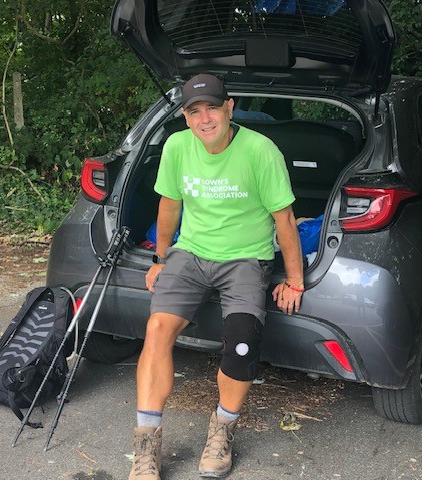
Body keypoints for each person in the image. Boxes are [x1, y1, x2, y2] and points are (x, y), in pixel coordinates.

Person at [128, 73, 304, 480]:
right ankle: (146, 443)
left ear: (230, 107)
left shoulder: (261, 151)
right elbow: (169, 205)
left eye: (212, 108)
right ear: (185, 116)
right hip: (190, 254)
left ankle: (222, 429)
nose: (204, 118)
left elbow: (285, 218)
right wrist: (160, 257)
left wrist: (294, 279)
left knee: (242, 343)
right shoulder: (177, 146)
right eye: (194, 111)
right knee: (157, 329)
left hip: (245, 257)